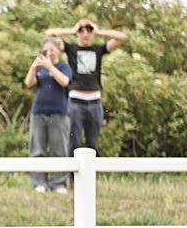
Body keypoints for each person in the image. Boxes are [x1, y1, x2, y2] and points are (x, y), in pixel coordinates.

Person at [44, 17, 128, 155]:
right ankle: (71, 176)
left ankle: (90, 175)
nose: (85, 34)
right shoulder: (71, 48)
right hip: (75, 103)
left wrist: (99, 31)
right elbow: (49, 34)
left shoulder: (98, 49)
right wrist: (72, 30)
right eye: (81, 30)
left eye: (88, 30)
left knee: (92, 143)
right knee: (73, 142)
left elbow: (122, 38)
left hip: (95, 102)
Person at [24, 37, 73, 193]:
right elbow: (29, 83)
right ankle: (39, 182)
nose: (49, 52)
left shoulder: (64, 66)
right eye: (46, 49)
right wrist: (34, 67)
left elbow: (65, 82)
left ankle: (58, 183)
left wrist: (50, 66)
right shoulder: (41, 68)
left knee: (59, 150)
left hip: (58, 113)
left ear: (58, 50)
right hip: (39, 111)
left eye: (52, 49)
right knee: (37, 148)